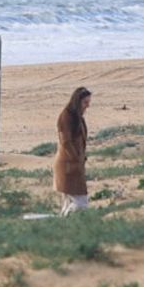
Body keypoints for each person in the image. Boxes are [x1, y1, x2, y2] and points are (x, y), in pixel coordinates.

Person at [55, 87, 92, 215]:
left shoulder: (77, 117)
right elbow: (66, 142)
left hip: (75, 164)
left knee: (69, 202)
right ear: (78, 101)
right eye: (85, 102)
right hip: (68, 165)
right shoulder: (66, 116)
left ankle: (63, 227)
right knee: (80, 202)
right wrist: (76, 159)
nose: (87, 106)